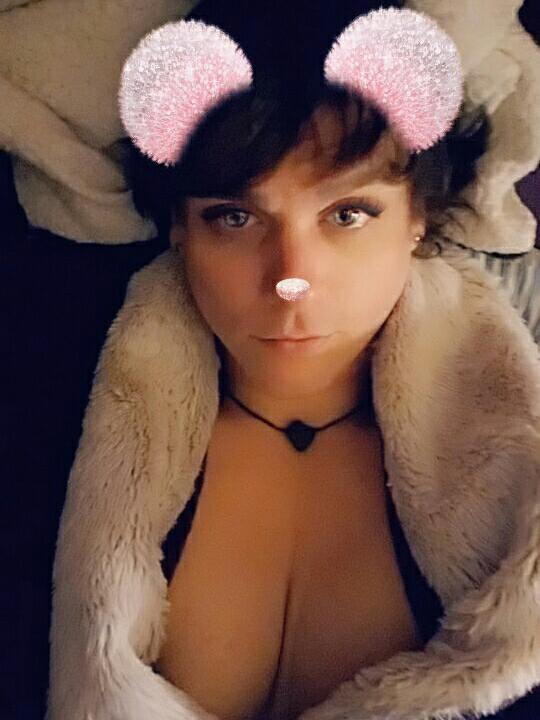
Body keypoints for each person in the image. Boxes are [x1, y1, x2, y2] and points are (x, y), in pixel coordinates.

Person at [46, 2, 540, 720]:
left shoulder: (520, 474)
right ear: (180, 228)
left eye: (348, 215)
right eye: (236, 218)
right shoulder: (48, 420)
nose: (291, 278)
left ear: (418, 218)